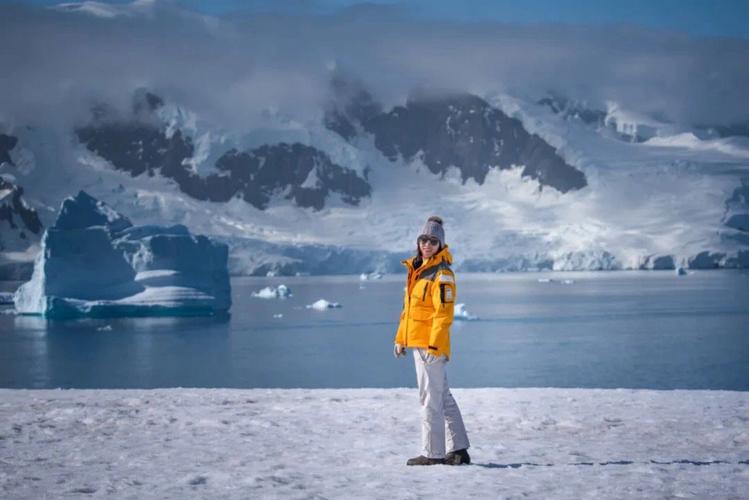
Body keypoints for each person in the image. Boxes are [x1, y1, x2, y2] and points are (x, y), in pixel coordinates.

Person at [393, 215, 471, 466]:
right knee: (442, 396)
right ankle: (459, 449)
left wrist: (435, 345)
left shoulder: (442, 274)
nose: (427, 244)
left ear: (441, 245)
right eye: (423, 239)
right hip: (418, 342)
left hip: (430, 346)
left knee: (429, 398)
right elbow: (409, 311)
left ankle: (432, 453)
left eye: (433, 241)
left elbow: (443, 313)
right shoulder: (418, 270)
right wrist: (400, 339)